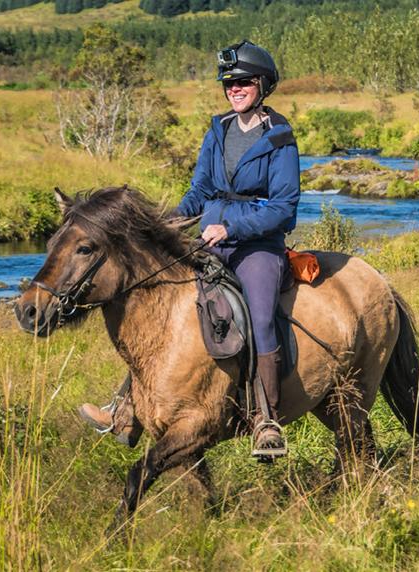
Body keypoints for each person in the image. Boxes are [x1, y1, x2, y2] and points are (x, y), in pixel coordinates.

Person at [78, 40, 301, 460]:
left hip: (257, 247)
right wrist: (172, 220)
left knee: (258, 314)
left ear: (263, 85)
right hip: (210, 240)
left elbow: (284, 209)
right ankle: (126, 409)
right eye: (229, 83)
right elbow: (199, 190)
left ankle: (266, 420)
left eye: (244, 82)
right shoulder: (217, 130)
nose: (235, 89)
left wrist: (231, 225)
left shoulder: (280, 139)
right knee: (159, 310)